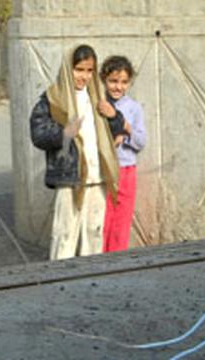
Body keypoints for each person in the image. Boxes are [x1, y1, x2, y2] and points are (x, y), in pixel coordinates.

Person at [29, 45, 125, 260]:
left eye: (89, 71)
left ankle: (91, 280)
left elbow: (115, 132)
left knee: (94, 233)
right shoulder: (53, 98)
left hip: (98, 176)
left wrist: (113, 117)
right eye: (79, 70)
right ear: (68, 69)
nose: (84, 76)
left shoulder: (98, 96)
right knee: (64, 234)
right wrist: (63, 133)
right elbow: (38, 134)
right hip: (70, 177)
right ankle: (60, 281)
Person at [98, 56, 146, 252]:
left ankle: (117, 260)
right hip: (101, 171)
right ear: (104, 80)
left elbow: (141, 141)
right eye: (113, 81)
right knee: (102, 220)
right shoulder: (98, 104)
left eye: (124, 82)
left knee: (121, 222)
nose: (118, 87)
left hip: (125, 170)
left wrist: (125, 131)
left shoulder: (133, 108)